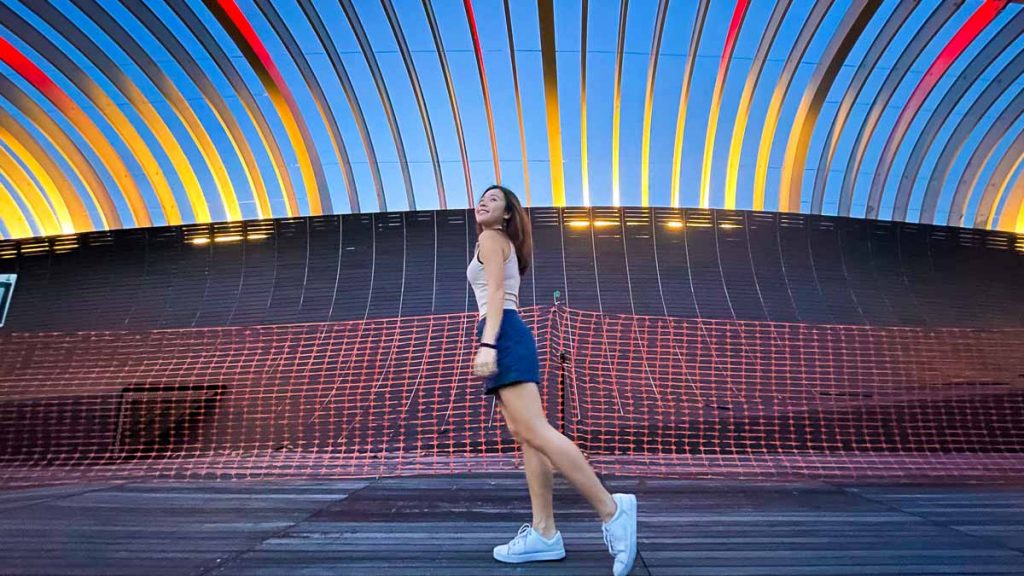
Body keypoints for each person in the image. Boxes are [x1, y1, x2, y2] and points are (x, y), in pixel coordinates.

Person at [467, 185, 638, 576]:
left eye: (495, 200)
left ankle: (612, 512)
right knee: (527, 434)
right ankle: (545, 532)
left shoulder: (491, 239)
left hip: (504, 334)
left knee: (536, 431)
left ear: (508, 214)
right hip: (508, 333)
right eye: (482, 197)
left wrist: (488, 344)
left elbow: (495, 294)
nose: (484, 202)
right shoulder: (498, 240)